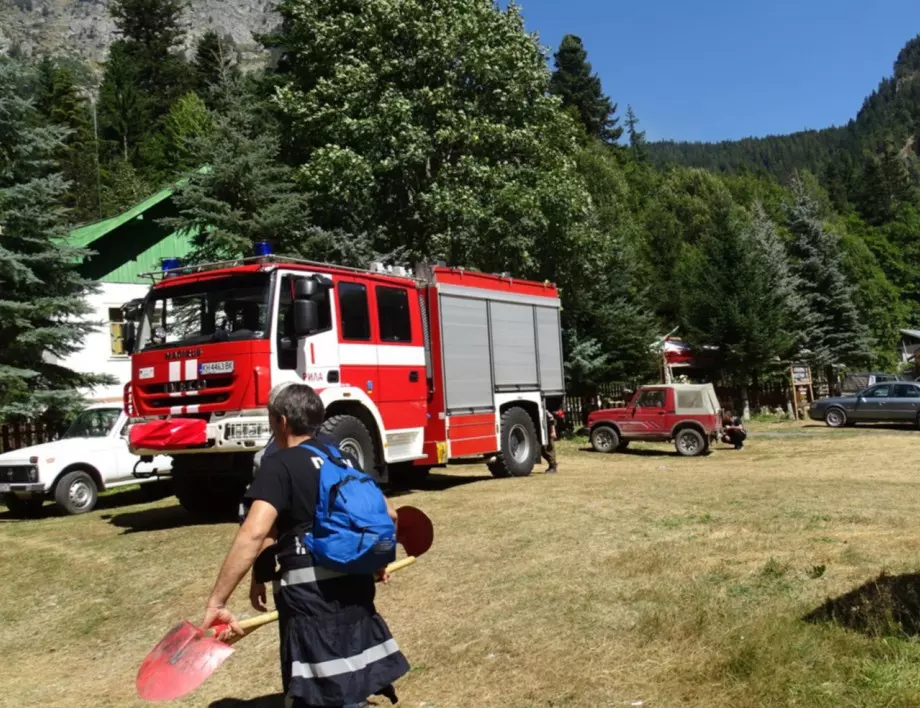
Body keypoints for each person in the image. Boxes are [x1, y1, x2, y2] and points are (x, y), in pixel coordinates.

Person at [203, 383, 410, 708]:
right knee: (350, 681)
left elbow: (254, 533)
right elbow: (390, 514)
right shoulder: (341, 458)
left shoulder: (280, 464)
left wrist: (217, 601)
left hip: (311, 604)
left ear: (281, 421)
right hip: (354, 592)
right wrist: (376, 563)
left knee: (320, 695)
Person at [541, 407, 558, 474]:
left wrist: (553, 432)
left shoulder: (545, 412)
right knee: (543, 450)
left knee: (549, 449)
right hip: (543, 432)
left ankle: (553, 466)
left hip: (548, 432)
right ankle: (551, 466)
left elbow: (552, 421)